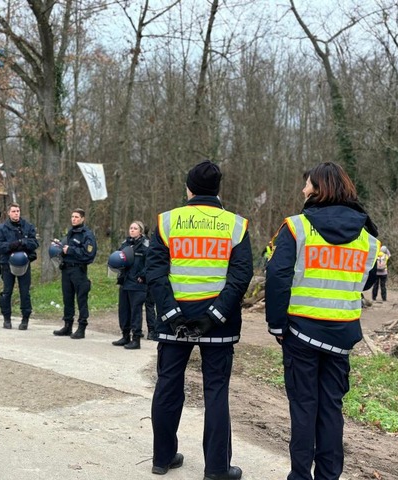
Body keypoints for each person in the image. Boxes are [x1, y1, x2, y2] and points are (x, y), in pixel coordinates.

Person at [265, 162, 379, 480]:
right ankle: (328, 476)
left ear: (319, 188)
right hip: (342, 335)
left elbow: (277, 274)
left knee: (304, 407)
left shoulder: (297, 226)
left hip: (301, 331)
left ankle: (300, 476)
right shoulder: (367, 233)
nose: (303, 190)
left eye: (308, 185)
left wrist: (276, 324)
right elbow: (367, 281)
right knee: (331, 408)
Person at [146, 160, 253, 480]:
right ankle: (217, 469)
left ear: (189, 188)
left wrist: (172, 314)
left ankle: (162, 458)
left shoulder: (167, 222)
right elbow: (241, 275)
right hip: (218, 324)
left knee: (167, 386)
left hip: (173, 322)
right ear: (218, 190)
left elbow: (154, 272)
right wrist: (216, 315)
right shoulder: (236, 225)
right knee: (216, 391)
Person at [52, 209, 98, 339]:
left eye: (76, 217)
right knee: (67, 299)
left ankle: (81, 327)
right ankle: (67, 326)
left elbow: (89, 255)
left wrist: (70, 250)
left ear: (82, 219)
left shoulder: (87, 235)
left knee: (81, 299)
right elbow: (65, 249)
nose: (73, 219)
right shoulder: (70, 233)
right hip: (66, 269)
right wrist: (58, 246)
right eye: (72, 216)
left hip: (79, 270)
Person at [0, 203, 39, 330]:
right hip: (7, 263)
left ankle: (25, 318)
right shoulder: (2, 228)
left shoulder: (28, 226)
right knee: (6, 292)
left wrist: (22, 242)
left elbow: (34, 243)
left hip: (24, 263)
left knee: (25, 292)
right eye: (13, 211)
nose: (16, 213)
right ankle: (6, 318)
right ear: (8, 213)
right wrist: (11, 246)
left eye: (18, 211)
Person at [111, 221, 148, 350]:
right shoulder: (125, 244)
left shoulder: (145, 245)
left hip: (138, 285)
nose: (132, 230)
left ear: (141, 231)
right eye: (130, 228)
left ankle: (136, 339)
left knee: (135, 312)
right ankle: (125, 336)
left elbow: (150, 263)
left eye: (135, 228)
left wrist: (142, 276)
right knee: (124, 311)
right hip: (125, 282)